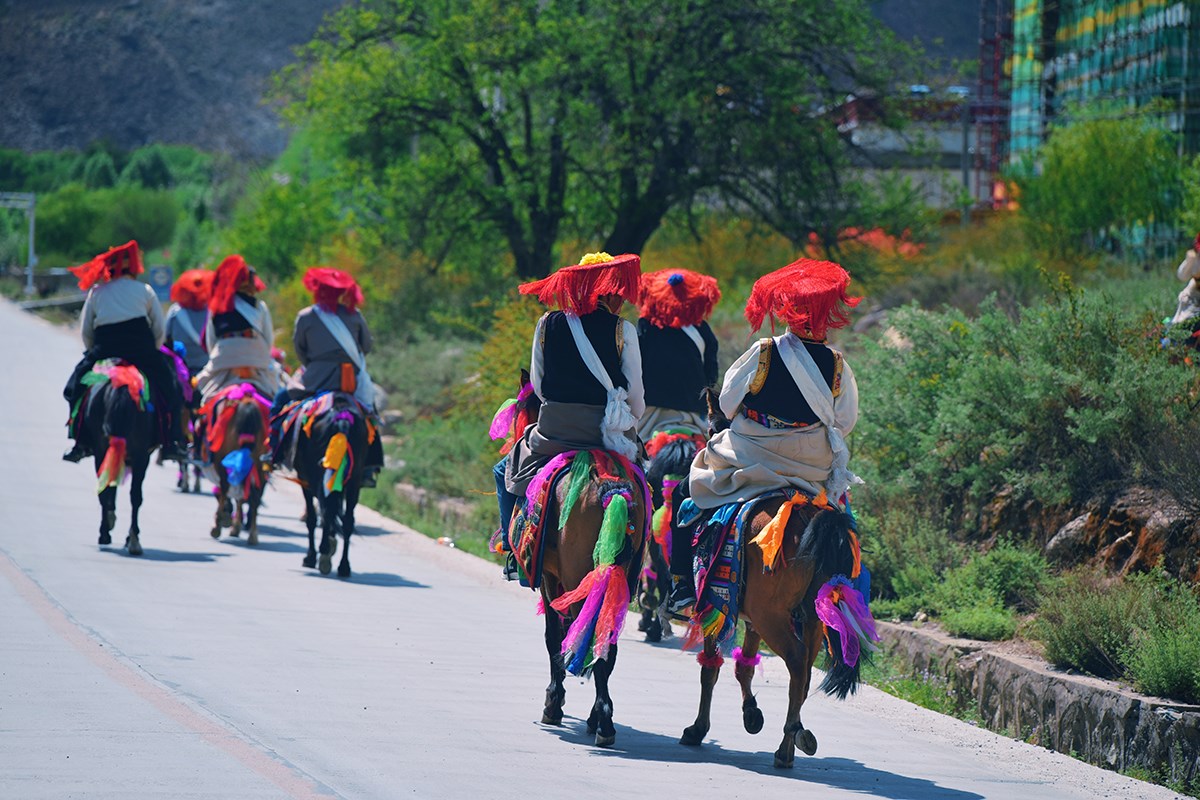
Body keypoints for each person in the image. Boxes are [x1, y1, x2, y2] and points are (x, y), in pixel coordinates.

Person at [670, 257, 861, 612]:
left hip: (752, 457)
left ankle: (681, 585)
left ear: (789, 310)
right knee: (844, 522)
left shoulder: (765, 352)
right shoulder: (837, 364)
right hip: (810, 468)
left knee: (686, 489)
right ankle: (847, 596)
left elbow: (726, 403)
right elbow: (845, 422)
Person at [494, 252, 645, 566]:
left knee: (504, 470)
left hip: (555, 432)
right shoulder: (623, 330)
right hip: (606, 437)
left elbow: (539, 384)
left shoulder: (547, 324)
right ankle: (644, 565)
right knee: (645, 487)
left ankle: (514, 551)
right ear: (607, 292)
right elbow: (635, 397)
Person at [62, 240, 187, 462]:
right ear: (134, 268)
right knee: (172, 389)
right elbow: (159, 330)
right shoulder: (145, 291)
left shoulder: (97, 292)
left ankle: (79, 441)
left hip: (104, 349)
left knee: (74, 388)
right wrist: (154, 351)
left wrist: (94, 353)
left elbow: (86, 332)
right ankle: (171, 442)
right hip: (142, 351)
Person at [270, 267, 384, 485]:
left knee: (282, 401)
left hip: (315, 380)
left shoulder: (306, 316)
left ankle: (274, 452)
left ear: (317, 289)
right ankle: (370, 466)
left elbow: (300, 350)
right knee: (370, 415)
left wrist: (315, 366)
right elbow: (366, 346)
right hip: (349, 381)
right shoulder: (355, 316)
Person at [635, 268, 721, 442]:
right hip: (693, 410)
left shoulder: (645, 326)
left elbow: (635, 368)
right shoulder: (701, 329)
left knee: (636, 451)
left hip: (650, 411)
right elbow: (711, 375)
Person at [194, 255, 279, 404]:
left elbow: (211, 344)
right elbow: (268, 341)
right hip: (257, 360)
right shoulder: (259, 306)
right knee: (277, 388)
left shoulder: (216, 308)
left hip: (224, 360)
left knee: (204, 392)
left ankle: (200, 422)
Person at [164, 269, 213, 378]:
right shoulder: (212, 312)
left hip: (181, 371)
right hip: (208, 371)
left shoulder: (175, 312)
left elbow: (165, 339)